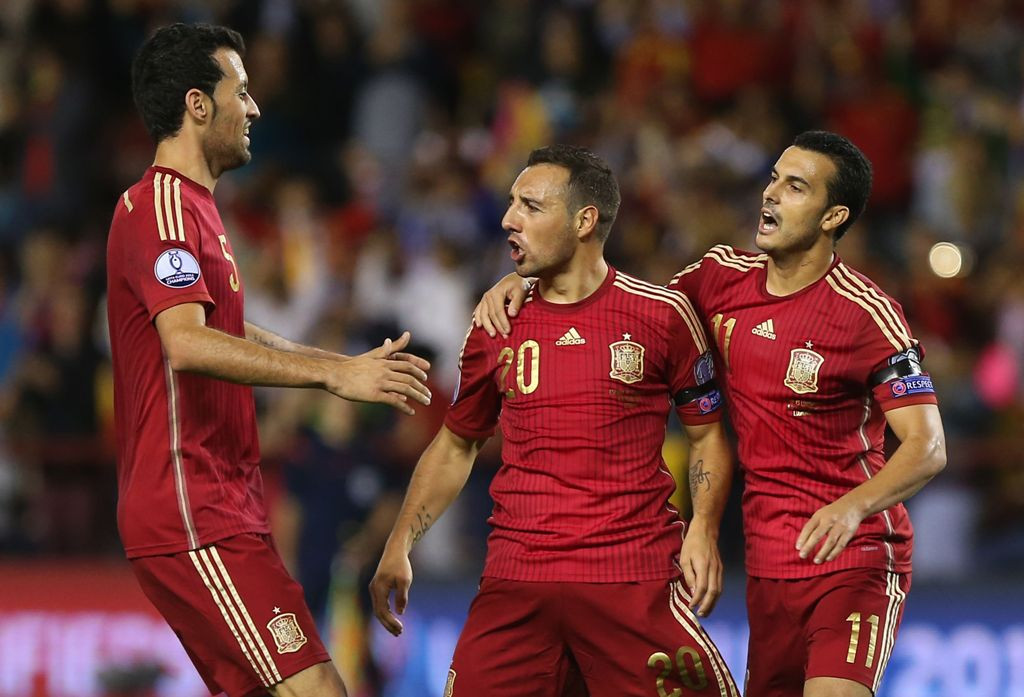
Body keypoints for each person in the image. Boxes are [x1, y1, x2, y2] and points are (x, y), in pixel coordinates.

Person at [474, 131, 947, 697]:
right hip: (768, 561)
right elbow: (625, 308)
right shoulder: (719, 277)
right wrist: (527, 279)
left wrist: (851, 509)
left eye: (795, 187)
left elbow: (927, 447)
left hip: (855, 558)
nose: (770, 195)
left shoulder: (866, 313)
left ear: (832, 216)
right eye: (773, 178)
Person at [105, 23, 432, 697]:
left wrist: (339, 365)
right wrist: (331, 374)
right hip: (192, 505)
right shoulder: (162, 205)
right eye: (242, 91)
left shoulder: (195, 209)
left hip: (219, 503)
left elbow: (224, 326)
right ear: (199, 104)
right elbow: (188, 343)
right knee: (316, 689)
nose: (254, 108)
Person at [370, 144, 739, 697]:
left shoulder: (661, 315)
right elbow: (455, 446)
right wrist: (401, 541)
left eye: (531, 206)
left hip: (631, 580)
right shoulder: (496, 324)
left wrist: (704, 529)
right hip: (516, 583)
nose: (508, 219)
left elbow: (707, 435)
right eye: (511, 203)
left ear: (585, 221)